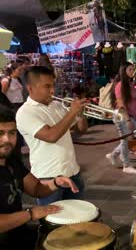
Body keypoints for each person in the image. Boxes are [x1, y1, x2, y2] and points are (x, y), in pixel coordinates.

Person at [0, 105, 79, 249]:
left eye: (11, 133)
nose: (7, 139)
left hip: (19, 234)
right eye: (0, 133)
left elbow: (36, 189)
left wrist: (56, 182)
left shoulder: (12, 162)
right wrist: (30, 214)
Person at [15, 66, 87, 206]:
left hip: (72, 171)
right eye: (47, 86)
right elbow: (51, 136)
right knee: (52, 222)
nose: (53, 90)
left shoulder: (57, 105)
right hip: (47, 177)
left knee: (77, 217)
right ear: (30, 88)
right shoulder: (25, 112)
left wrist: (80, 114)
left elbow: (81, 130)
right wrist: (72, 112)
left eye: (53, 85)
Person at [106, 63, 136, 174]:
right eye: (130, 69)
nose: (132, 71)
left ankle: (114, 154)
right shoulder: (120, 86)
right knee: (126, 141)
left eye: (133, 69)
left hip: (131, 115)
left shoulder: (129, 84)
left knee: (127, 140)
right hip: (123, 116)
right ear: (124, 71)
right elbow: (121, 105)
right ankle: (126, 165)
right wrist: (128, 119)